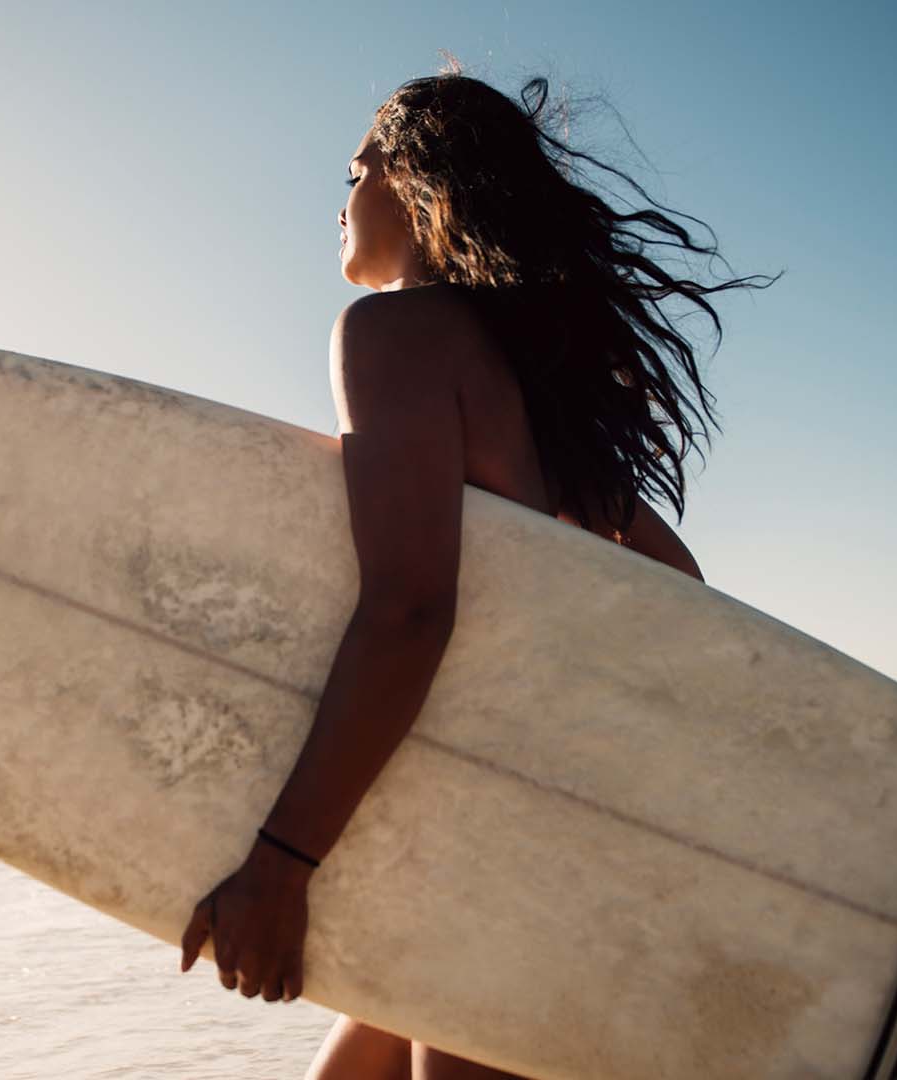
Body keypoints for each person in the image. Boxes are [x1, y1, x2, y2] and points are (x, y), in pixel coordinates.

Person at [177, 69, 777, 1080]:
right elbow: (675, 581)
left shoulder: (395, 334)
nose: (339, 201)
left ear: (412, 178)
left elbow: (410, 611)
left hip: (496, 846)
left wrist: (282, 864)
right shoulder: (525, 379)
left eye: (357, 169)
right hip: (538, 810)